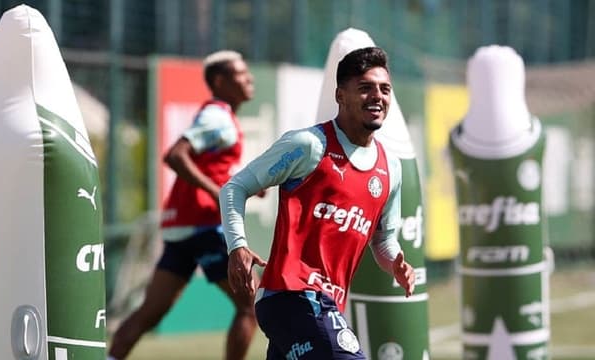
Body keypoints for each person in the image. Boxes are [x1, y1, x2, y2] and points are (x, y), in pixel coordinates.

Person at [219, 47, 416, 359]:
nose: (377, 96)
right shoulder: (309, 145)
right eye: (365, 88)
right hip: (294, 296)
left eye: (384, 89)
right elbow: (235, 187)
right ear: (340, 95)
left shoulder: (390, 168)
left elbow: (383, 239)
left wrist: (396, 263)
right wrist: (237, 246)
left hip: (324, 303)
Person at [108, 50, 258, 360]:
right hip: (204, 224)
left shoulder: (220, 117)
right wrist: (218, 193)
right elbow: (176, 155)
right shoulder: (218, 116)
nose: (249, 79)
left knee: (149, 314)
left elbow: (210, 166)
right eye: (241, 74)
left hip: (181, 228)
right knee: (253, 306)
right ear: (220, 81)